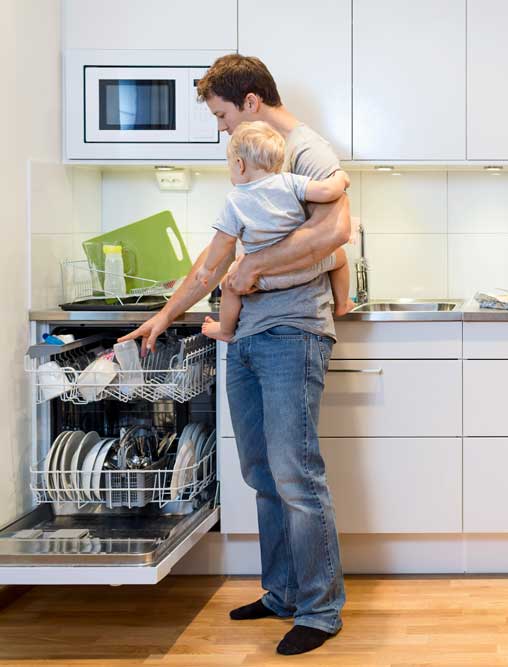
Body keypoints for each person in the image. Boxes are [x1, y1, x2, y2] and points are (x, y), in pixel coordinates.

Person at [119, 53, 351, 656]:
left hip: (292, 332)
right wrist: (165, 315)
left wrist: (250, 270)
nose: (222, 130)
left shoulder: (308, 153)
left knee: (296, 475)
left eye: (222, 116)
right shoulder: (251, 173)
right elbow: (212, 261)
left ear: (249, 101)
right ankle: (281, 594)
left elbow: (333, 234)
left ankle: (321, 610)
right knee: (260, 472)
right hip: (245, 335)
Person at [197, 120, 351, 343]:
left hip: (264, 279)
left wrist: (207, 268)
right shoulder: (290, 182)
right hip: (305, 268)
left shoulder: (236, 200)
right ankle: (343, 303)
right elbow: (327, 191)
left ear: (239, 165)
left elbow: (223, 240)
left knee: (229, 284)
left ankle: (225, 330)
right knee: (341, 258)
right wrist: (341, 178)